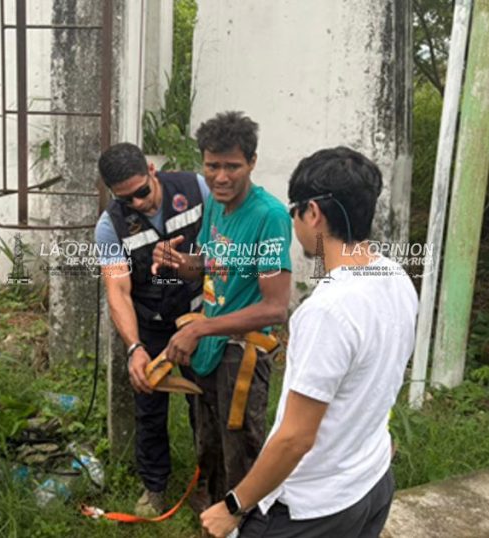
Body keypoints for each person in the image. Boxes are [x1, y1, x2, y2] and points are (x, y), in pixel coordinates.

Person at [199, 147, 418, 538]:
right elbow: (376, 383)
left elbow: (295, 438)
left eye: (293, 211)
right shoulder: (396, 277)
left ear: (312, 212)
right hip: (371, 482)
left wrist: (233, 505)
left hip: (314, 508)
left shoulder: (327, 312)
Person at [152, 111, 292, 506]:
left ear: (252, 162)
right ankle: (213, 508)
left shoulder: (269, 217)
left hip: (240, 349)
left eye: (232, 166)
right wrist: (180, 263)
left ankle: (245, 519)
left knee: (240, 446)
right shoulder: (215, 205)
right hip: (210, 340)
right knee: (208, 436)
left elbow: (275, 308)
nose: (221, 177)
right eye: (212, 166)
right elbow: (209, 264)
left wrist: (198, 329)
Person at [94, 142, 211, 515]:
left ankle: (209, 482)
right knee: (148, 405)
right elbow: (118, 290)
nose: (139, 203)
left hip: (198, 316)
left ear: (151, 169)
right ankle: (154, 485)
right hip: (151, 324)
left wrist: (188, 265)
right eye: (126, 198)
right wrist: (134, 347)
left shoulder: (196, 189)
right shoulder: (110, 226)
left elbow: (223, 248)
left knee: (206, 401)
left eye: (142, 192)